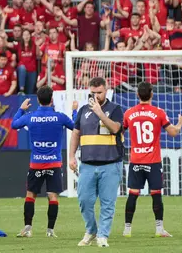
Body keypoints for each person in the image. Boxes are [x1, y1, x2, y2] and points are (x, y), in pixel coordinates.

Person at [122, 82, 182, 238]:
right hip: (153, 161)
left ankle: (127, 229)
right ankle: (159, 230)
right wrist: (180, 123)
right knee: (156, 194)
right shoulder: (158, 112)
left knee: (133, 194)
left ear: (137, 95)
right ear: (152, 94)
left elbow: (120, 132)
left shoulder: (129, 113)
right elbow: (173, 133)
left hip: (136, 160)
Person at [10, 85, 75, 238]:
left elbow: (14, 124)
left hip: (36, 164)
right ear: (52, 100)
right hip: (54, 163)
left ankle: (27, 228)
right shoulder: (60, 117)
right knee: (52, 196)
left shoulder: (30, 117)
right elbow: (76, 127)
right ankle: (50, 230)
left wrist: (21, 109)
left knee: (30, 195)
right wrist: (74, 111)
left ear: (38, 100)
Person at [68, 77, 124, 248]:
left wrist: (100, 113)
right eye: (93, 92)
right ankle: (91, 230)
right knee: (84, 200)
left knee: (108, 203)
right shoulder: (84, 110)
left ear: (106, 91)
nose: (96, 95)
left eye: (99, 92)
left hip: (110, 163)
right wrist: (71, 156)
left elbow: (115, 128)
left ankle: (103, 235)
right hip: (87, 164)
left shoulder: (115, 109)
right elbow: (76, 134)